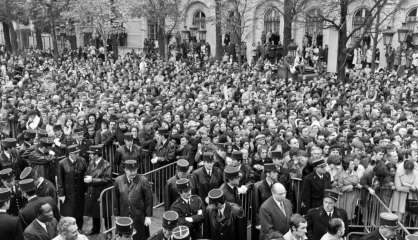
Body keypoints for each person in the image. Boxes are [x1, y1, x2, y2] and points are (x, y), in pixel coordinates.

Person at [114, 160, 153, 240]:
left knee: (139, 237)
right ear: (125, 170)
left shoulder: (143, 180)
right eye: (130, 171)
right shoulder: (118, 180)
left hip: (139, 217)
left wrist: (148, 216)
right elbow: (116, 198)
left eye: (135, 170)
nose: (133, 173)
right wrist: (116, 214)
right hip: (124, 216)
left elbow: (148, 199)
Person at [57, 145, 87, 230]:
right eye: (75, 153)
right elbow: (60, 180)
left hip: (80, 193)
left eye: (78, 152)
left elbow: (85, 174)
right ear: (70, 154)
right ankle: (70, 230)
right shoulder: (62, 163)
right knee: (70, 213)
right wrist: (61, 194)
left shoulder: (82, 160)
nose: (78, 154)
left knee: (80, 212)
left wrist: (86, 189)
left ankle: (79, 229)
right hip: (68, 194)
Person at [84, 144, 112, 235]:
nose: (90, 155)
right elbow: (88, 172)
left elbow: (107, 179)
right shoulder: (91, 163)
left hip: (102, 192)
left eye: (91, 154)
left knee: (106, 214)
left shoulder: (106, 164)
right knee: (94, 212)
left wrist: (92, 180)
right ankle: (95, 229)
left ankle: (109, 231)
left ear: (97, 154)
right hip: (93, 191)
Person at [252, 163, 278, 240]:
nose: (277, 174)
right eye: (274, 172)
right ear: (268, 174)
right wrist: (258, 222)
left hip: (275, 218)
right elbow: (256, 206)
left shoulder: (278, 184)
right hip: (264, 219)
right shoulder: (258, 186)